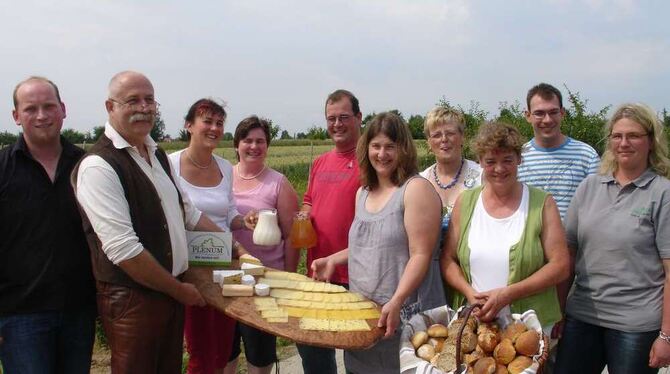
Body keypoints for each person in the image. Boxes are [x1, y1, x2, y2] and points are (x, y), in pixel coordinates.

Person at [74, 71, 226, 374]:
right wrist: (178, 289)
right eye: (132, 100)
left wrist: (234, 249)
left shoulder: (155, 154)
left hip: (167, 294)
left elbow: (189, 214)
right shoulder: (98, 166)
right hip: (132, 301)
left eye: (149, 100)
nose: (144, 107)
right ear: (110, 107)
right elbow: (124, 250)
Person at [312, 112, 446, 373]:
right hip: (365, 314)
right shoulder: (363, 192)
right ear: (366, 149)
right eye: (376, 146)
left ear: (403, 150)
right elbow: (369, 245)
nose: (381, 154)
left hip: (403, 315)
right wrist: (333, 259)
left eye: (390, 147)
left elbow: (421, 254)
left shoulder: (415, 189)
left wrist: (396, 301)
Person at [554, 103, 670, 373]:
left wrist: (666, 336)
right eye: (617, 136)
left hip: (636, 324)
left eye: (633, 136)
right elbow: (568, 255)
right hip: (582, 316)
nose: (624, 143)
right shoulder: (589, 187)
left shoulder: (662, 193)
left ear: (650, 141)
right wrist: (558, 310)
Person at [0, 77, 96, 373]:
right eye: (31, 109)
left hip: (79, 310)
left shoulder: (88, 167)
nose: (41, 115)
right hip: (19, 315)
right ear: (16, 116)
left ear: (63, 109)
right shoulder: (2, 168)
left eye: (49, 106)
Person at [440, 121, 569, 332]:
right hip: (475, 323)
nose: (499, 169)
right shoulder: (466, 202)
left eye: (507, 160)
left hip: (528, 328)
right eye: (490, 161)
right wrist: (468, 293)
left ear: (519, 159)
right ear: (480, 161)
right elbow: (448, 259)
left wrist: (509, 294)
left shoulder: (542, 203)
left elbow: (560, 265)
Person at [168, 99, 255, 374]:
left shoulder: (225, 167)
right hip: (191, 268)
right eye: (207, 121)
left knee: (223, 348)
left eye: (219, 123)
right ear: (189, 125)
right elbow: (178, 216)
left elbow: (228, 213)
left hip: (225, 264)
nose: (214, 128)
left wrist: (244, 220)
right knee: (200, 353)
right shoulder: (170, 165)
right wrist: (237, 246)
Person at [223, 115, 299, 374]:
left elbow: (291, 237)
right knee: (225, 351)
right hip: (225, 277)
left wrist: (287, 279)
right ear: (237, 144)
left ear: (267, 146)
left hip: (263, 281)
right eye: (247, 140)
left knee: (260, 354)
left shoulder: (278, 183)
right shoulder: (221, 176)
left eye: (260, 141)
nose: (254, 146)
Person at [296, 89, 362, 373]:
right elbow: (309, 199)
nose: (337, 124)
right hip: (319, 270)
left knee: (357, 351)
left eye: (344, 117)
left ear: (359, 118)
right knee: (312, 346)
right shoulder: (320, 162)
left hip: (356, 273)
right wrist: (304, 214)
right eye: (331, 118)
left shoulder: (371, 159)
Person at [517, 82, 600, 220]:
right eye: (539, 113)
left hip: (574, 241)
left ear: (562, 113)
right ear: (527, 115)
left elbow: (598, 206)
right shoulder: (517, 158)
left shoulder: (587, 156)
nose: (547, 120)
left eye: (553, 112)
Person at [419, 106, 482, 238]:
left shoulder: (482, 176)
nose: (444, 139)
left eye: (450, 133)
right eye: (436, 135)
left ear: (462, 137)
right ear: (429, 143)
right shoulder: (420, 181)